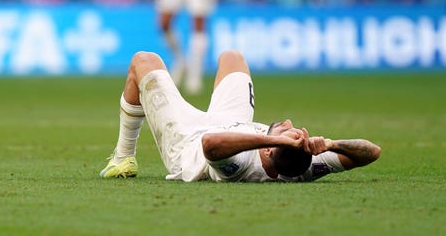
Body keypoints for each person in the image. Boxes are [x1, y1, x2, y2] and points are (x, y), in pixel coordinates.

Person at [99, 50, 381, 182]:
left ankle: (124, 157)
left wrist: (273, 138)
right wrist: (332, 145)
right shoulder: (305, 165)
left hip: (189, 139)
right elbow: (372, 152)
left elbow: (210, 144)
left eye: (288, 132)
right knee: (232, 58)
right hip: (236, 123)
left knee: (143, 61)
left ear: (271, 147)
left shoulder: (240, 166)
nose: (292, 125)